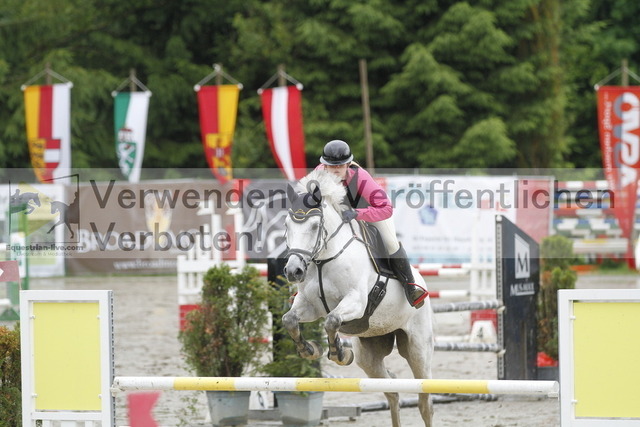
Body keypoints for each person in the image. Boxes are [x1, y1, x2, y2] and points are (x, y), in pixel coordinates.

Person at [317, 139, 428, 308]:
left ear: (348, 164)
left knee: (390, 243)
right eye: (332, 166)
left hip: (371, 212)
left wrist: (358, 213)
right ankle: (306, 287)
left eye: (340, 166)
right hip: (339, 216)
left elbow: (386, 208)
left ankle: (411, 287)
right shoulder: (318, 175)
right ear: (324, 166)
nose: (336, 170)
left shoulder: (360, 177)